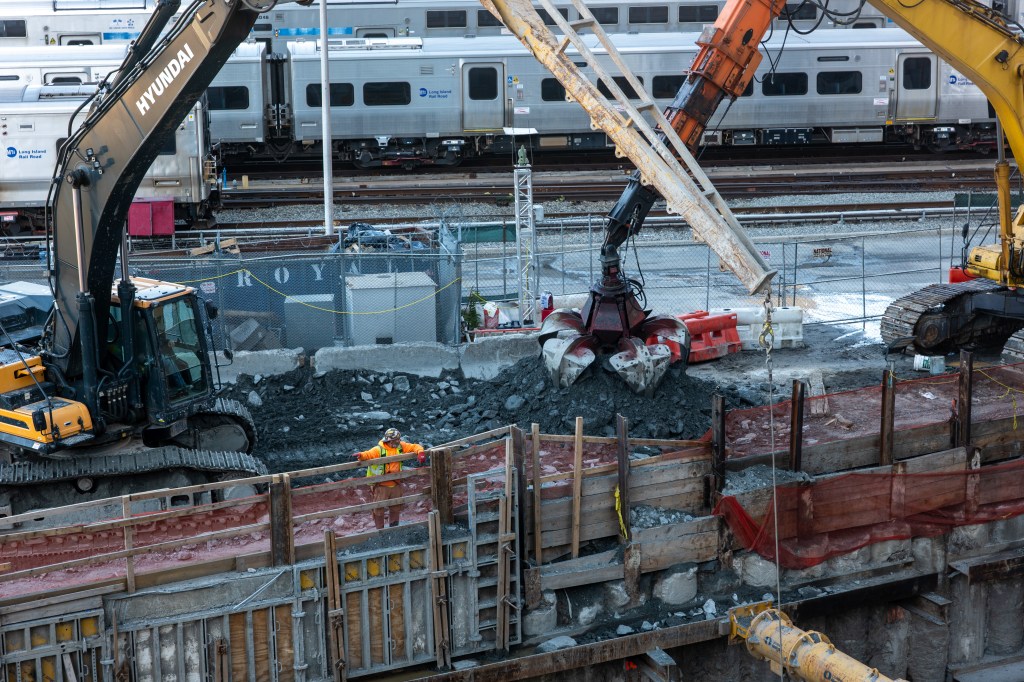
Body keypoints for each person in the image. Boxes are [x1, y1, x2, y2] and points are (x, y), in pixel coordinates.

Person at [354, 427, 426, 529]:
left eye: (398, 439)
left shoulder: (400, 447)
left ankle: (394, 529)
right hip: (381, 486)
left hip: (396, 483)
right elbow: (368, 454)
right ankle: (380, 531)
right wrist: (361, 455)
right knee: (378, 509)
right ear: (388, 440)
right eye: (395, 440)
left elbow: (414, 446)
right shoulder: (379, 450)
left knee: (396, 507)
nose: (397, 442)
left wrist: (420, 452)